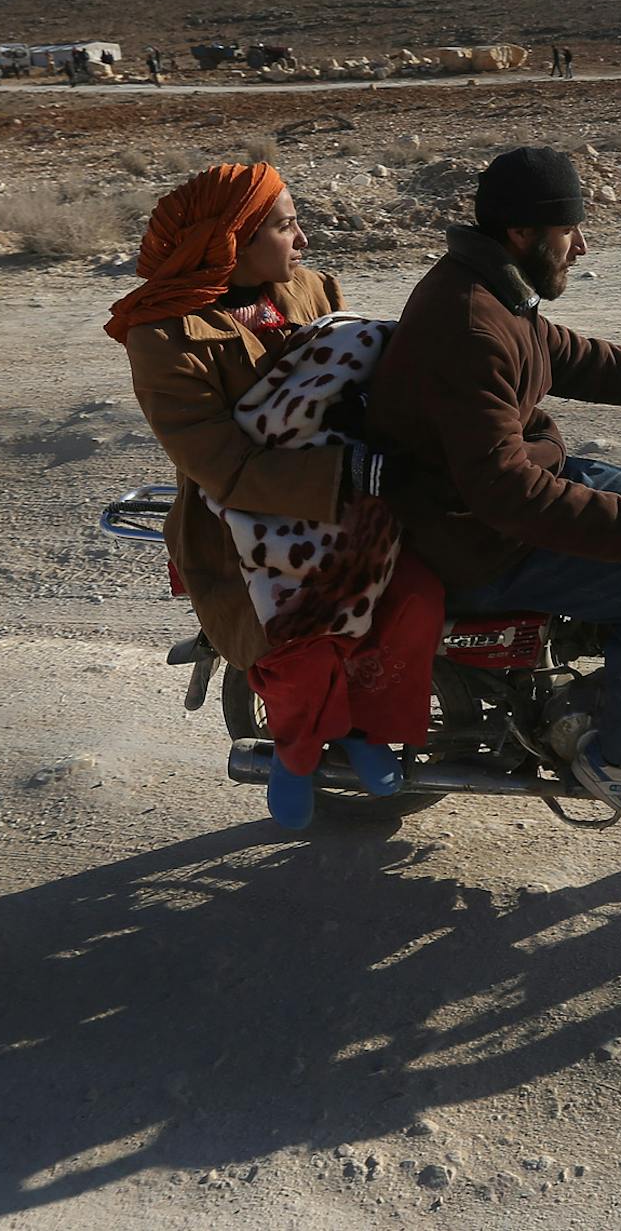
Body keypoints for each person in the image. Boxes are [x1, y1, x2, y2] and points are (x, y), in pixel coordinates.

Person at [366, 148, 621, 835]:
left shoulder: (495, 289)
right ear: (522, 233)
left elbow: (566, 355)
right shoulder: (470, 324)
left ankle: (593, 689)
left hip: (506, 494)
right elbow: (503, 490)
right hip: (474, 539)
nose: (582, 244)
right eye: (570, 229)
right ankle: (620, 762)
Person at [110, 163, 411, 826]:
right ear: (232, 243)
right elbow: (224, 464)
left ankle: (364, 727)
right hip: (239, 524)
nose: (303, 238)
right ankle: (297, 753)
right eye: (284, 225)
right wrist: (351, 477)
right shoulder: (161, 337)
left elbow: (348, 382)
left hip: (350, 490)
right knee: (298, 644)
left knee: (402, 606)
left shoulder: (308, 288)